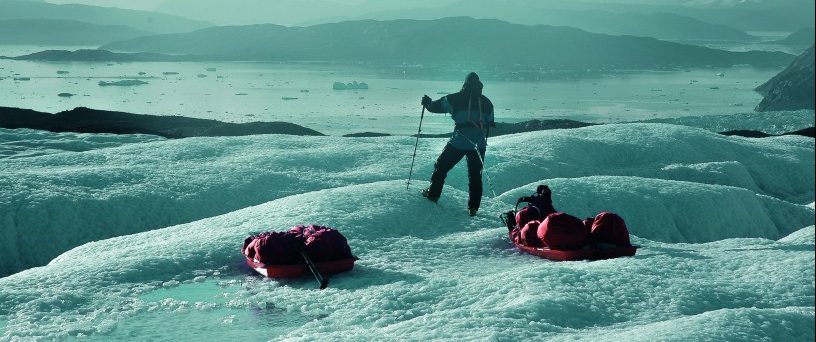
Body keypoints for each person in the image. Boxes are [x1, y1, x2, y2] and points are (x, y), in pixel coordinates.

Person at [420, 72, 495, 216]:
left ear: (465, 83)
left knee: (441, 166)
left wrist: (427, 103)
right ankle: (473, 208)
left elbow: (436, 107)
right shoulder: (487, 102)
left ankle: (433, 195)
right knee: (475, 176)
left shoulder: (455, 98)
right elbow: (489, 124)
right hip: (478, 144)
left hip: (459, 141)